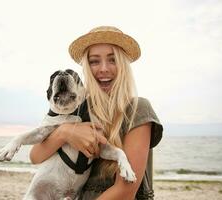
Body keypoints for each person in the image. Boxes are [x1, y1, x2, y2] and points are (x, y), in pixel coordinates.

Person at [30, 26, 163, 200]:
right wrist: (65, 132)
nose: (103, 69)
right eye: (94, 61)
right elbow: (35, 156)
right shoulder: (79, 108)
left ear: (123, 65)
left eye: (112, 59)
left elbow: (125, 191)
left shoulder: (137, 108)